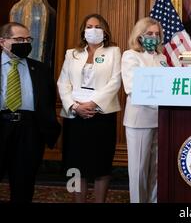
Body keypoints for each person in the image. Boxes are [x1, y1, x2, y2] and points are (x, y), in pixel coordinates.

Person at [57, 14, 121, 203]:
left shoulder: (114, 52)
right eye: (89, 26)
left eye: (97, 26)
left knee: (101, 164)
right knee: (75, 165)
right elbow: (63, 83)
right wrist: (75, 106)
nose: (93, 30)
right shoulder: (72, 53)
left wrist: (92, 104)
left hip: (101, 115)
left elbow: (115, 81)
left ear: (105, 30)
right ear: (83, 31)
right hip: (74, 115)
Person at [0, 22, 60, 203]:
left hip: (29, 130)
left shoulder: (41, 69)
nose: (24, 43)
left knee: (23, 184)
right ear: (3, 41)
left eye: (28, 39)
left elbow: (48, 101)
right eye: (19, 39)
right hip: (1, 125)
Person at [121, 18, 168, 203]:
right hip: (139, 120)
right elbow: (134, 87)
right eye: (149, 33)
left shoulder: (161, 58)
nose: (154, 37)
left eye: (157, 34)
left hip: (162, 120)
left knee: (157, 169)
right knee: (139, 170)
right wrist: (164, 104)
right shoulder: (131, 55)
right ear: (139, 35)